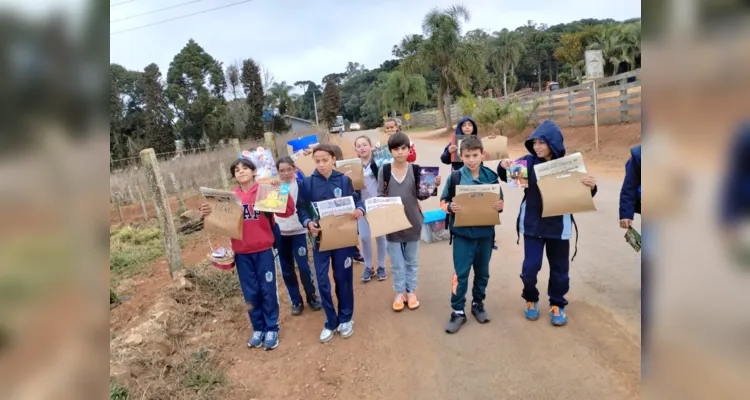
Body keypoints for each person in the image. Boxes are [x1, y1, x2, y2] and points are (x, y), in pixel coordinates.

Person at [497, 120, 598, 326]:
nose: (537, 147)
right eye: (534, 143)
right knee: (530, 269)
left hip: (559, 227)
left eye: (542, 143)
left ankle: (557, 303)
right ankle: (531, 299)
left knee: (560, 270)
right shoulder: (528, 162)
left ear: (553, 143)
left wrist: (591, 187)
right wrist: (502, 166)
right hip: (533, 226)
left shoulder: (569, 165)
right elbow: (510, 178)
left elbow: (580, 194)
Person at [199, 155, 295, 350]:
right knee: (250, 293)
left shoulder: (264, 190)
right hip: (241, 253)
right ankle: (257, 327)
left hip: (263, 250)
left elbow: (287, 211)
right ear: (234, 176)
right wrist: (208, 211)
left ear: (253, 171)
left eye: (245, 168)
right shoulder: (229, 198)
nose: (241, 171)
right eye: (236, 170)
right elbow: (218, 222)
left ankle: (271, 328)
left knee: (268, 290)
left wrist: (281, 191)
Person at [296, 144, 366, 343]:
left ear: (333, 159)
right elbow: (301, 209)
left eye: (325, 160)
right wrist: (308, 223)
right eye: (317, 161)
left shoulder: (344, 180)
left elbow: (356, 202)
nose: (321, 164)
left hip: (343, 240)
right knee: (322, 281)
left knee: (343, 278)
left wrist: (360, 210)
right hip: (320, 241)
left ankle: (345, 319)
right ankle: (330, 321)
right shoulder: (307, 184)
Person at [440, 135, 503, 333]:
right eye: (467, 156)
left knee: (482, 273)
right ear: (460, 156)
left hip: (485, 235)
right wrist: (451, 206)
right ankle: (458, 310)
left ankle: (478, 304)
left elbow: (500, 204)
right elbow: (443, 203)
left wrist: (500, 206)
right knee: (461, 274)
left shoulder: (491, 176)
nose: (471, 160)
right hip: (463, 236)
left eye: (475, 155)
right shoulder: (455, 177)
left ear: (482, 154)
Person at [377, 132, 440, 311]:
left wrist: (432, 185)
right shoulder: (385, 171)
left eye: (403, 148)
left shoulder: (416, 170)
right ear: (390, 151)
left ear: (408, 149)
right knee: (397, 262)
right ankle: (399, 292)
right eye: (396, 149)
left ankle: (411, 291)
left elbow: (421, 195)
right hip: (392, 224)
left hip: (413, 221)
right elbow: (380, 194)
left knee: (411, 260)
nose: (400, 152)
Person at [274, 156, 323, 315]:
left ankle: (311, 296)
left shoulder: (302, 185)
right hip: (280, 233)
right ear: (278, 172)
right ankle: (296, 301)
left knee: (303, 267)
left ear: (295, 170)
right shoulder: (276, 188)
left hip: (299, 232)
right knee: (287, 269)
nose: (286, 173)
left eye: (289, 169)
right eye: (282, 170)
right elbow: (274, 211)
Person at [354, 135, 388, 282]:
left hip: (378, 204)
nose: (362, 148)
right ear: (355, 150)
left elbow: (387, 178)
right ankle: (368, 267)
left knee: (381, 236)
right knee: (364, 237)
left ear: (371, 146)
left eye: (364, 144)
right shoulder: (354, 166)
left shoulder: (379, 162)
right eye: (359, 146)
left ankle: (381, 266)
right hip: (362, 206)